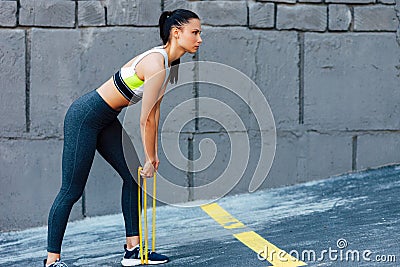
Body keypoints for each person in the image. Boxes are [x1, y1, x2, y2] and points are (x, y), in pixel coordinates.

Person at [43, 9, 202, 267]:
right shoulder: (156, 62)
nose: (199, 38)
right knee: (71, 190)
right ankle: (52, 261)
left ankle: (132, 249)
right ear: (176, 32)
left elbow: (156, 110)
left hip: (106, 119)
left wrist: (152, 156)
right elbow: (145, 118)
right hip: (84, 118)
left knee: (132, 177)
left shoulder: (169, 64)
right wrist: (150, 158)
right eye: (194, 32)